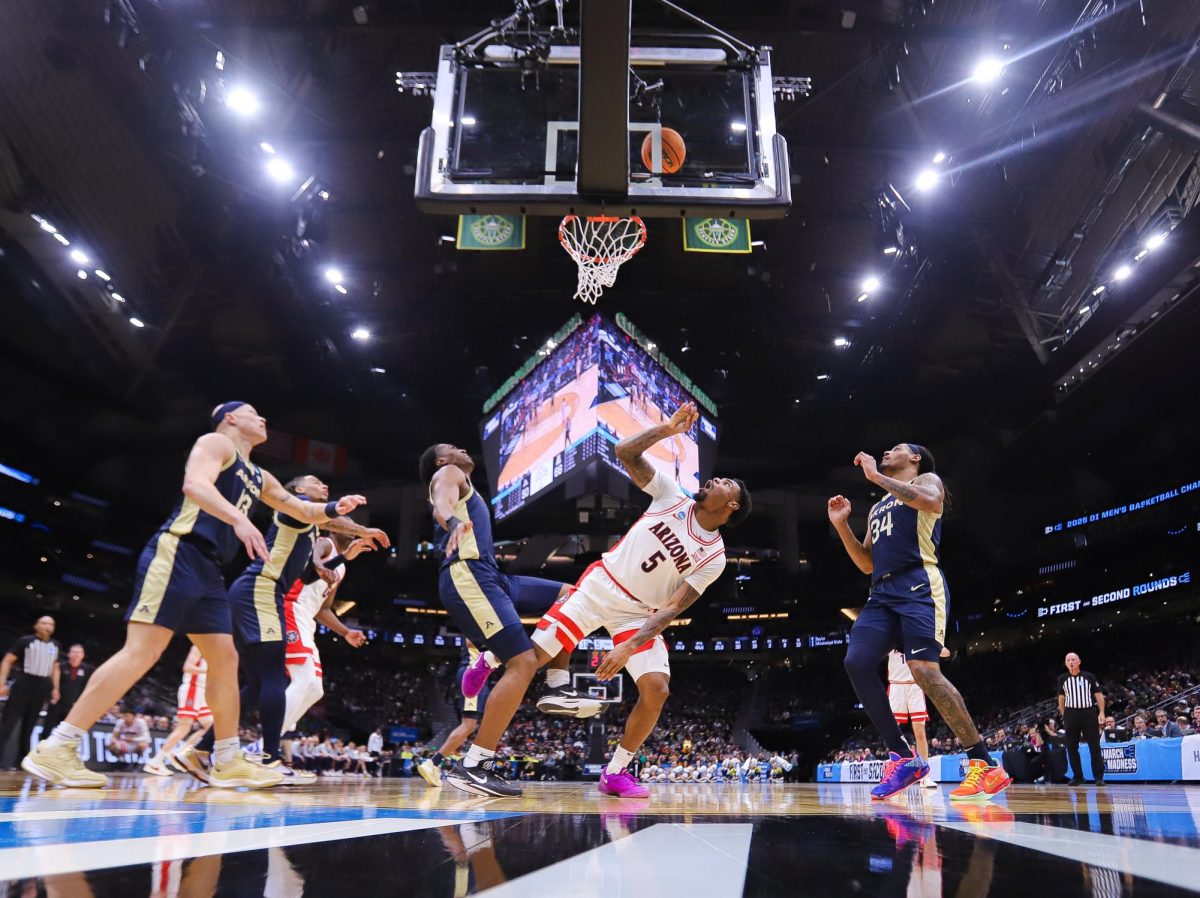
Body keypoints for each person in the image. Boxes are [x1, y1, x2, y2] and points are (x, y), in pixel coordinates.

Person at [22, 401, 368, 790]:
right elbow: (195, 485)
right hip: (179, 551)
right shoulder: (216, 444)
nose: (264, 418)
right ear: (231, 418)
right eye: (254, 413)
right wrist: (239, 518)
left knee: (225, 659)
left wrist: (338, 508)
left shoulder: (259, 475)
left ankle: (227, 758)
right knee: (142, 652)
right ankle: (59, 744)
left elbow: (302, 509)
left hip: (210, 570)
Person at [458, 402, 750, 799]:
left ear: (730, 507)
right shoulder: (671, 496)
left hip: (638, 614)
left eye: (725, 484)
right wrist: (667, 428)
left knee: (657, 688)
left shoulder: (713, 557)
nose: (715, 480)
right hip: (600, 588)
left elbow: (674, 607)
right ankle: (483, 709)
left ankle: (615, 773)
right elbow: (625, 453)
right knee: (526, 665)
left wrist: (630, 644)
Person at [827, 443, 1011, 801]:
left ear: (914, 458)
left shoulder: (929, 479)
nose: (886, 453)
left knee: (924, 671)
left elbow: (930, 503)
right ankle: (903, 756)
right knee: (857, 662)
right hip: (881, 593)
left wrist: (875, 476)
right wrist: (842, 526)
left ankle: (984, 764)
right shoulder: (879, 506)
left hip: (919, 585)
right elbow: (866, 563)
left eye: (895, 449)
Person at [419, 441, 602, 797]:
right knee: (522, 664)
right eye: (453, 447)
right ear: (441, 460)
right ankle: (475, 764)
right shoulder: (447, 473)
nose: (461, 449)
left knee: (571, 594)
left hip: (492, 576)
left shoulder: (462, 481)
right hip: (468, 574)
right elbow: (441, 502)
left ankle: (556, 682)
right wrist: (454, 520)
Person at [188, 473, 387, 786]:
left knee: (259, 684)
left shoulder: (309, 534)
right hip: (264, 592)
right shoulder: (299, 512)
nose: (324, 485)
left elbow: (309, 580)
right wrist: (358, 525)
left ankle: (201, 749)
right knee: (280, 679)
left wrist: (337, 564)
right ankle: (266, 755)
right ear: (297, 490)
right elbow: (324, 520)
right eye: (315, 481)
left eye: (326, 484)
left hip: (265, 596)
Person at [281, 533, 374, 752]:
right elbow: (313, 553)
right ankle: (267, 742)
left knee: (315, 689)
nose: (351, 531)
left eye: (354, 529)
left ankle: (269, 743)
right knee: (304, 679)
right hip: (292, 608)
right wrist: (318, 565)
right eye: (346, 525)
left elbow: (323, 609)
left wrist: (345, 632)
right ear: (335, 528)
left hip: (306, 618)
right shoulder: (325, 542)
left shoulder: (341, 568)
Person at [416, 640, 489, 788]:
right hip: (474, 671)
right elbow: (470, 641)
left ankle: (440, 764)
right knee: (468, 725)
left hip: (477, 671)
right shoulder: (479, 620)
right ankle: (433, 763)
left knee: (471, 725)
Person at [0, 616, 61, 769]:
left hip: (43, 686)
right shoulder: (25, 641)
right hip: (24, 682)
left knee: (30, 726)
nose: (47, 626)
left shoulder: (55, 645)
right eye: (44, 622)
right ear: (36, 625)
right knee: (8, 722)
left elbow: (55, 668)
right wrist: (2, 682)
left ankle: (21, 762)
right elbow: (7, 659)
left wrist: (55, 687)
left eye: (51, 624)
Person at [144, 646, 212, 776]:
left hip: (201, 692)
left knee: (210, 727)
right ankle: (155, 762)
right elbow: (187, 667)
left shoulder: (214, 652)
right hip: (192, 689)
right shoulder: (198, 646)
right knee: (184, 727)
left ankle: (182, 753)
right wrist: (208, 670)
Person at [886, 650, 938, 789]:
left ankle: (924, 776)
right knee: (892, 732)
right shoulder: (891, 636)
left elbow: (940, 651)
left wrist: (936, 646)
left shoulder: (915, 634)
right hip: (896, 686)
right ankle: (895, 775)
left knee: (920, 732)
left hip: (915, 686)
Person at [1056, 652, 1106, 785]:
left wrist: (1101, 712)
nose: (1071, 662)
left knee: (1094, 745)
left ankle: (1099, 777)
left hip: (1088, 712)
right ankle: (1078, 776)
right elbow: (1061, 698)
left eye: (1073, 659)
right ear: (1066, 663)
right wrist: (1064, 714)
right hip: (1071, 714)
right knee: (1071, 747)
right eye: (1068, 660)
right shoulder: (1062, 679)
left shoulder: (1089, 676)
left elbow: (1099, 695)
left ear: (1079, 662)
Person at [41, 644, 89, 735]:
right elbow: (51, 684)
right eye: (74, 652)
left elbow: (85, 687)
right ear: (69, 654)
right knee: (47, 729)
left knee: (67, 733)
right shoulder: (60, 666)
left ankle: (62, 749)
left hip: (73, 706)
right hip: (57, 703)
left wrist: (80, 701)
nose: (76, 654)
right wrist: (50, 696)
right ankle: (42, 748)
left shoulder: (86, 669)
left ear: (83, 655)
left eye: (79, 652)